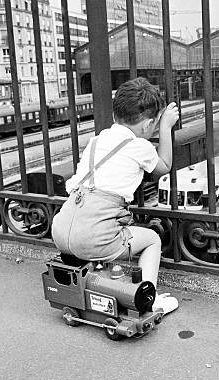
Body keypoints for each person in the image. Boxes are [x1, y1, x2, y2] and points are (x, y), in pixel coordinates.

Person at [52, 77, 179, 314]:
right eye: (153, 125)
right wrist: (165, 127)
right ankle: (149, 298)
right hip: (94, 236)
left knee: (105, 230)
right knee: (152, 239)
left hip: (61, 230)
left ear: (114, 116)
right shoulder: (139, 146)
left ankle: (94, 289)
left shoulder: (96, 141)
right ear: (147, 125)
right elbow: (164, 166)